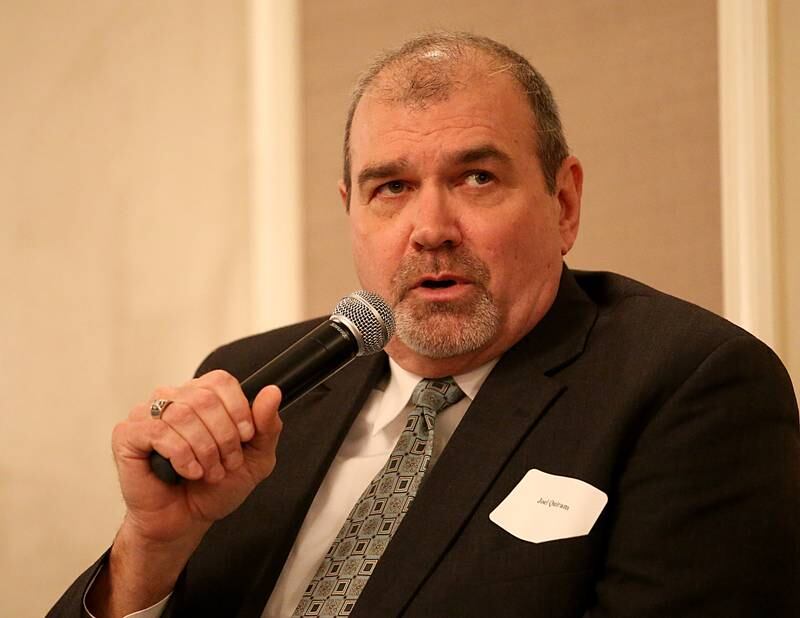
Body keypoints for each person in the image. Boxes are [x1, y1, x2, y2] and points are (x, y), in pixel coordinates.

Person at [49, 32, 799, 618]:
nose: (430, 228)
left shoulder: (687, 387)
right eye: (392, 187)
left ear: (563, 203)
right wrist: (150, 547)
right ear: (350, 208)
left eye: (477, 178)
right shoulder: (260, 385)